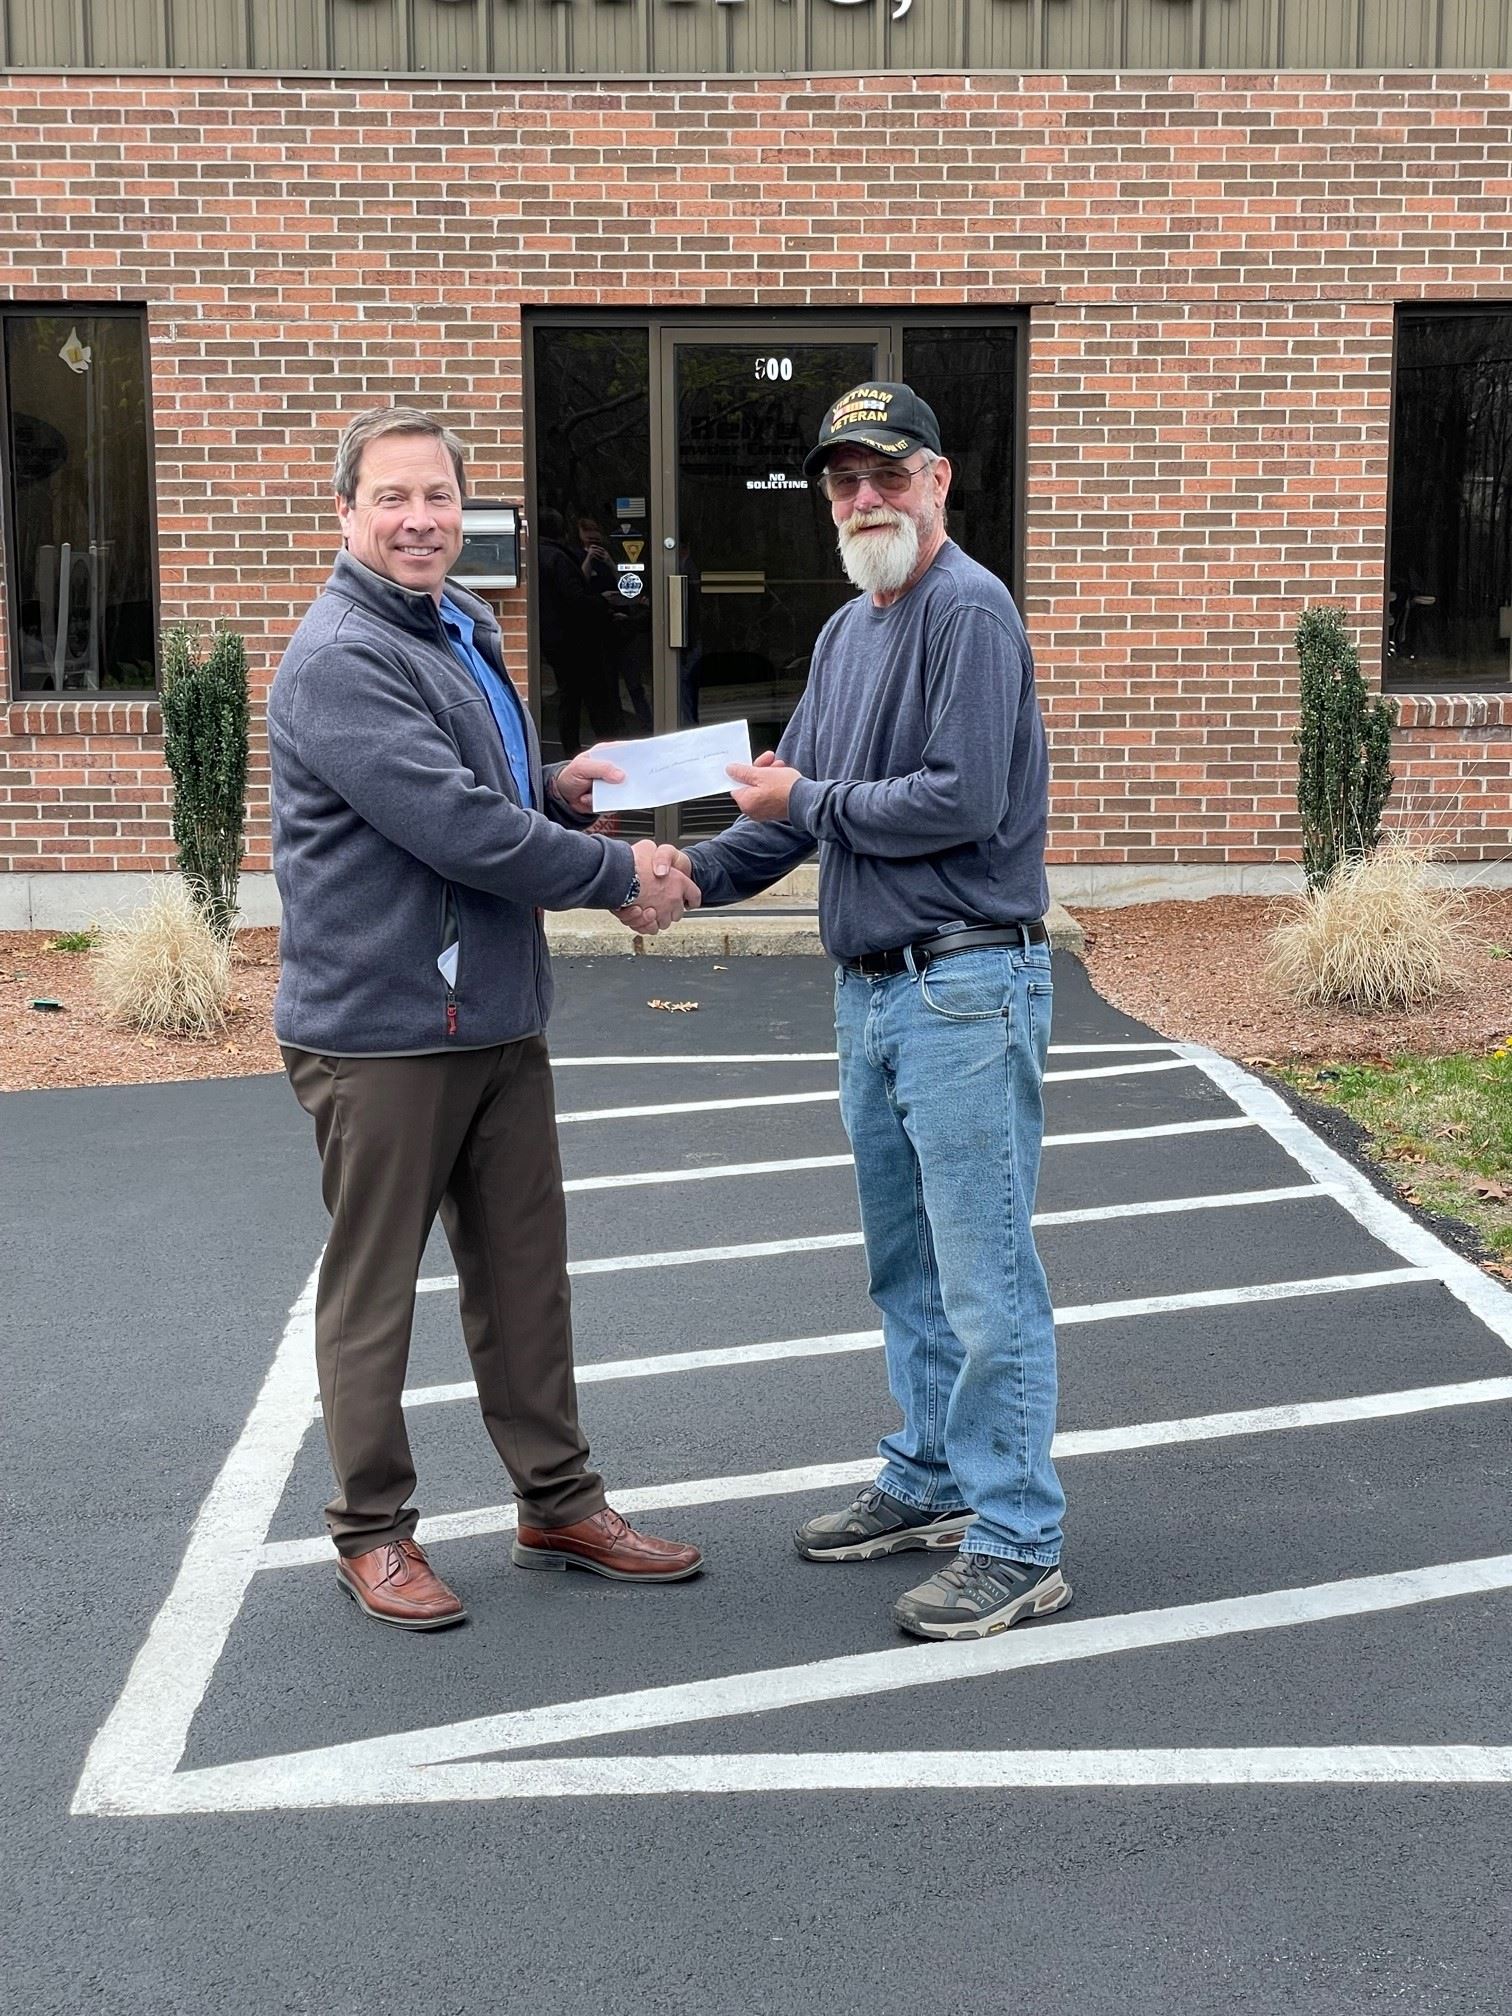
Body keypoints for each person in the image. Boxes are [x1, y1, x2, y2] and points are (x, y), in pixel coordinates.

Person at [267, 406, 703, 1631]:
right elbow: (452, 826)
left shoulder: (462, 624)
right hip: (381, 1030)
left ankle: (557, 1501)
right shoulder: (343, 655)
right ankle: (372, 1532)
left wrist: (558, 787)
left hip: (496, 1012)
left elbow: (488, 795)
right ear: (345, 515)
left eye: (440, 499)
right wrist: (617, 876)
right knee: (375, 1294)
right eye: (393, 499)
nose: (420, 521)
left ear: (470, 512)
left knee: (524, 1280)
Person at [670, 381, 1070, 1643]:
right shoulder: (852, 634)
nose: (863, 498)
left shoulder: (970, 612)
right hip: (877, 992)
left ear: (939, 481)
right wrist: (673, 881)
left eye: (886, 475)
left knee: (986, 1276)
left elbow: (954, 800)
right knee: (908, 1268)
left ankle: (1018, 1539)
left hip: (965, 986)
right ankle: (930, 1481)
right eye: (842, 481)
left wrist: (802, 808)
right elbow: (782, 813)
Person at [536, 507, 621, 755]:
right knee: (594, 697)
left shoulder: (536, 555)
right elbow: (576, 598)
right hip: (576, 640)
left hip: (554, 638)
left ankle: (571, 751)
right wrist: (603, 602)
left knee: (569, 697)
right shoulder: (559, 558)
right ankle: (606, 750)